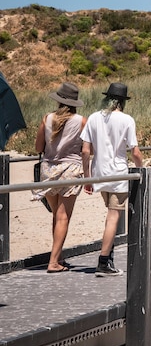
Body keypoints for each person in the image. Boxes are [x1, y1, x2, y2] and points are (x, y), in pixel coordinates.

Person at [81, 82, 143, 277]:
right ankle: (103, 262)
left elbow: (85, 151)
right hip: (118, 173)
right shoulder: (127, 120)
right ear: (122, 102)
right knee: (113, 217)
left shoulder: (93, 117)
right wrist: (141, 170)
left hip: (99, 172)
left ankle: (109, 259)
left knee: (110, 216)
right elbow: (135, 152)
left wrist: (87, 178)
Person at [32, 82, 87, 273]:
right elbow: (89, 149)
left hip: (48, 170)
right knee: (64, 217)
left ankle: (58, 255)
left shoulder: (47, 118)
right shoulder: (81, 121)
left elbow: (39, 147)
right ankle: (53, 261)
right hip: (71, 170)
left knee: (56, 215)